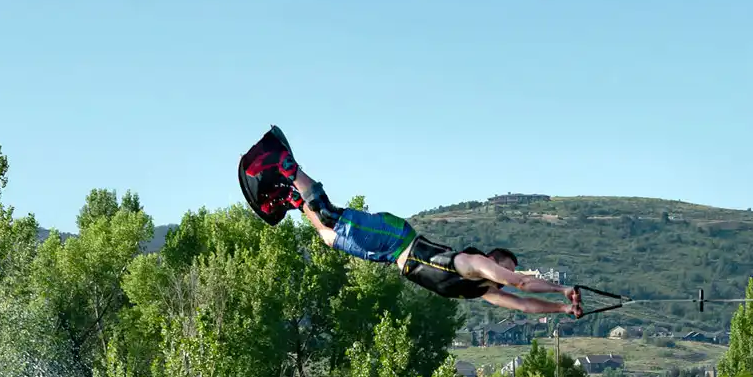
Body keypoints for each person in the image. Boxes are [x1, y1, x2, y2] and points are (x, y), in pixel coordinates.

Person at [241, 128, 582, 317]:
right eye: (506, 269)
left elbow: (523, 303)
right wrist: (561, 287)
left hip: (389, 256)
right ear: (494, 260)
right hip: (395, 238)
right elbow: (521, 285)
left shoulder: (481, 290)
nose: (507, 279)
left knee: (329, 236)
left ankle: (293, 198)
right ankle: (287, 165)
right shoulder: (473, 263)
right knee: (329, 216)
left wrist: (563, 308)